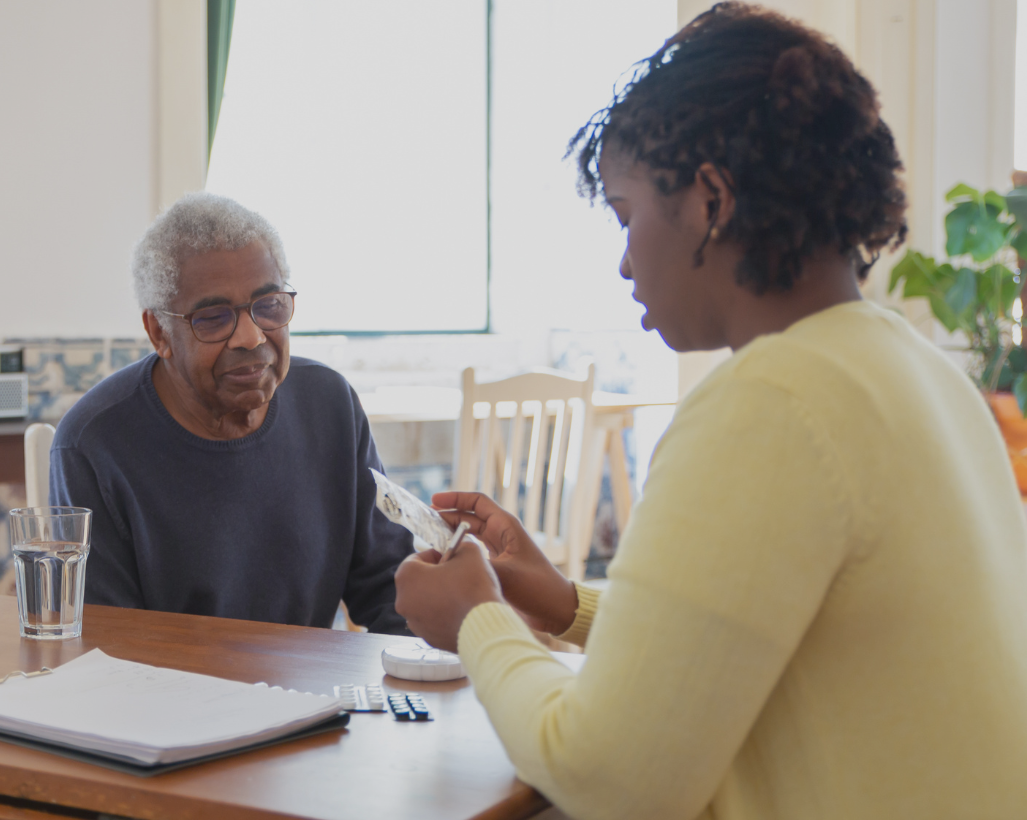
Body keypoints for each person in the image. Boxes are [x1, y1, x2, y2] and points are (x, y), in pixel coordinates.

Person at [393, 5, 1027, 819]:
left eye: (626, 217)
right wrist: (560, 604)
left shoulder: (768, 402)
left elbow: (609, 778)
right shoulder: (915, 370)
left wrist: (478, 618)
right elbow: (756, 631)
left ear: (710, 198)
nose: (624, 263)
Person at [49, 192, 415, 633]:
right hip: (168, 695)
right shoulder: (93, 444)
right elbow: (107, 643)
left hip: (313, 693)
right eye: (213, 317)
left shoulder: (329, 403)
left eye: (269, 306)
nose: (250, 336)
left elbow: (389, 591)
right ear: (158, 332)